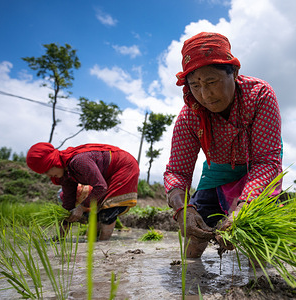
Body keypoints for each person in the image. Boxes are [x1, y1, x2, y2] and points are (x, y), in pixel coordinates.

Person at [164, 32, 283, 258]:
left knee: (258, 239)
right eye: (195, 85)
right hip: (218, 171)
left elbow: (266, 161)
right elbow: (177, 171)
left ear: (234, 73)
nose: (205, 95)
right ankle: (188, 282)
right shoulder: (190, 115)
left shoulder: (259, 95)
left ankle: (258, 285)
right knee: (196, 237)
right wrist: (182, 209)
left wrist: (242, 209)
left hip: (260, 167)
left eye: (211, 82)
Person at [26, 142, 139, 240]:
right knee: (97, 211)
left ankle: (103, 245)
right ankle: (94, 241)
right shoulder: (65, 175)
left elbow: (100, 187)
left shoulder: (79, 161)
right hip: (106, 176)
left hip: (124, 166)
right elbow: (68, 204)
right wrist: (60, 237)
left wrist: (81, 208)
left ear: (54, 162)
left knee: (108, 209)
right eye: (44, 173)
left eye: (47, 170)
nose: (49, 175)